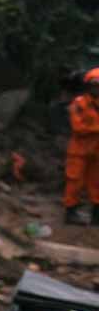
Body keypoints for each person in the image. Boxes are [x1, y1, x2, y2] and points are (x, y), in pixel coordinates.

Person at [66, 68, 99, 224]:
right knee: (74, 181)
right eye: (94, 85)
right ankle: (70, 212)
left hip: (96, 151)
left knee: (96, 182)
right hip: (79, 151)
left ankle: (96, 215)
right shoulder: (79, 103)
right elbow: (78, 127)